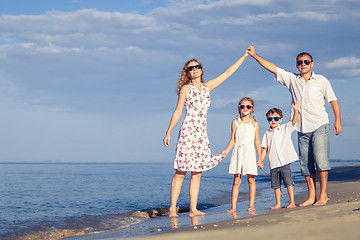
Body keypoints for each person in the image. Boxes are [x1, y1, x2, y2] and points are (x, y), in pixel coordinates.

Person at [247, 46, 342, 206]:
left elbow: (333, 100)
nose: (303, 64)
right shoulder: (292, 79)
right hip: (301, 128)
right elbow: (273, 68)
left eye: (306, 62)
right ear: (297, 65)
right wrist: (255, 55)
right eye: (300, 62)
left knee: (321, 161)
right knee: (306, 163)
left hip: (320, 125)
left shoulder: (321, 80)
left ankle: (323, 195)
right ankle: (312, 196)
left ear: (312, 64)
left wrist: (337, 120)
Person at [163, 50, 249, 218]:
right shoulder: (185, 89)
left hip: (201, 134)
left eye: (197, 67)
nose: (194, 69)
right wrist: (168, 132)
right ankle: (173, 208)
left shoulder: (207, 87)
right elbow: (178, 111)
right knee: (181, 171)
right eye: (190, 68)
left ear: (201, 70)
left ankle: (193, 209)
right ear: (186, 73)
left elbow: (228, 73)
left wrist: (245, 56)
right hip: (188, 132)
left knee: (197, 172)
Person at [221, 97, 262, 213]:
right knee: (236, 180)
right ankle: (233, 207)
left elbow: (257, 141)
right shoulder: (235, 122)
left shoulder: (255, 124)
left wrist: (260, 159)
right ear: (239, 108)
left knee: (251, 180)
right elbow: (233, 139)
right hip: (237, 152)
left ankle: (251, 205)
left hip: (250, 152)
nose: (245, 108)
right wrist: (226, 151)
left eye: (248, 106)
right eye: (242, 106)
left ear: (252, 109)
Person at [258, 101, 300, 210]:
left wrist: (296, 110)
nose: (273, 121)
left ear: (280, 119)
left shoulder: (285, 128)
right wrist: (260, 161)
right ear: (267, 120)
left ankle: (292, 201)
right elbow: (264, 149)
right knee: (275, 185)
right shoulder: (267, 134)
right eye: (270, 119)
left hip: (285, 161)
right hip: (273, 163)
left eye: (276, 119)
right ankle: (278, 203)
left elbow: (293, 121)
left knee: (288, 182)